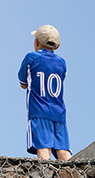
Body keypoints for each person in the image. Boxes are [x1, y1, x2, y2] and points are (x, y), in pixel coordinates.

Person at [18, 25, 70, 160]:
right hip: (59, 113)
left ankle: (45, 173)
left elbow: (23, 84)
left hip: (39, 112)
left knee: (43, 148)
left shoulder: (31, 58)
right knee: (63, 151)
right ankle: (74, 172)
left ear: (36, 41)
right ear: (57, 46)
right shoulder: (62, 62)